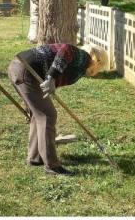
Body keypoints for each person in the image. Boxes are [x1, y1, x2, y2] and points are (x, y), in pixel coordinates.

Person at [9, 43, 109, 175]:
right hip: (27, 69)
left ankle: (35, 158)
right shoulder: (84, 58)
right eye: (100, 69)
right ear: (98, 62)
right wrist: (51, 77)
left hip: (19, 67)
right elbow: (67, 49)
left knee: (38, 114)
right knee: (47, 115)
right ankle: (52, 166)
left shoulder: (80, 68)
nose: (98, 72)